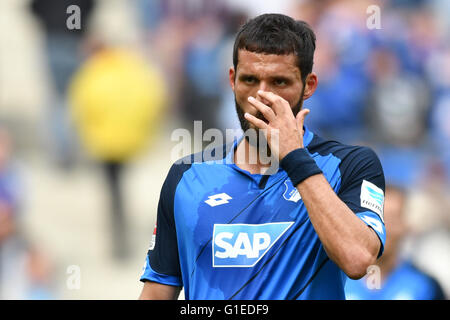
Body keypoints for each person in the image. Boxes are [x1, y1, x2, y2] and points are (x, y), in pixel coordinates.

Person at [139, 13, 386, 300]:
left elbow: (357, 259)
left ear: (309, 85)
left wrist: (294, 155)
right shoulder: (187, 176)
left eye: (279, 82)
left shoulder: (351, 165)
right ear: (232, 79)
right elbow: (157, 292)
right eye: (250, 80)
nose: (261, 96)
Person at [345, 185, 446, 300]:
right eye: (375, 219)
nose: (382, 230)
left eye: (391, 220)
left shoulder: (425, 286)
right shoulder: (334, 280)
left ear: (406, 226)